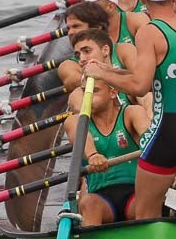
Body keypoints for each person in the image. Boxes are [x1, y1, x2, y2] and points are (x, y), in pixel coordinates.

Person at [83, 0, 176, 221]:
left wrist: (100, 75)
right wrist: (108, 70)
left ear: (142, 0)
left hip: (170, 129)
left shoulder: (149, 32)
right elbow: (147, 74)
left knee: (145, 211)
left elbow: (140, 86)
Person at [63, 29, 150, 227]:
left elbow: (150, 137)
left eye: (94, 92)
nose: (87, 96)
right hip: (101, 199)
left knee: (147, 203)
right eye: (85, 92)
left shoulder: (131, 114)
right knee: (89, 203)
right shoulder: (77, 121)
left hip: (135, 192)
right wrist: (93, 155)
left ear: (112, 92)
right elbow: (81, 135)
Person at [57, 0, 136, 92]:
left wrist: (102, 73)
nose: (70, 33)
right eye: (68, 28)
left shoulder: (125, 49)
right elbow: (73, 82)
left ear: (97, 28)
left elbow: (140, 80)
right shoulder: (67, 65)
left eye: (76, 26)